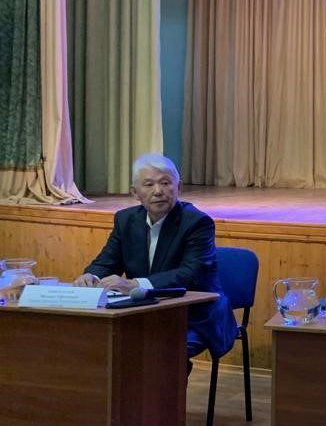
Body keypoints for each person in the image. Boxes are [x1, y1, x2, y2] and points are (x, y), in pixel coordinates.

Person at [75, 153, 237, 365]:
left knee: (158, 352)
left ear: (179, 188)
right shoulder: (125, 220)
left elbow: (190, 274)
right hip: (143, 313)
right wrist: (91, 275)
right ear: (135, 192)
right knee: (99, 343)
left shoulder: (197, 222)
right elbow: (107, 261)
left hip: (193, 315)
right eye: (149, 184)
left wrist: (135, 284)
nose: (158, 191)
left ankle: (167, 385)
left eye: (165, 183)